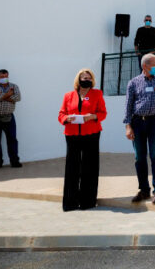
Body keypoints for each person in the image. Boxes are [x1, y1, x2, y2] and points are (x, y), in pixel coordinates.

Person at [124, 53, 155, 205]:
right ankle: (144, 190)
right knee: (140, 158)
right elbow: (128, 105)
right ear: (145, 66)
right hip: (137, 122)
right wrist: (128, 126)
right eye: (154, 64)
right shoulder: (133, 83)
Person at [58, 69, 107, 211]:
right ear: (78, 80)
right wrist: (66, 118)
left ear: (92, 80)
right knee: (72, 167)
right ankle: (70, 202)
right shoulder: (68, 95)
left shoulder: (97, 94)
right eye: (84, 77)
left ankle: (88, 201)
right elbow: (61, 114)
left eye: (89, 78)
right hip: (72, 135)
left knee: (89, 167)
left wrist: (92, 116)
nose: (86, 79)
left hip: (91, 133)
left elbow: (103, 113)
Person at [0, 69, 22, 169]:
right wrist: (9, 94)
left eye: (6, 76)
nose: (4, 78)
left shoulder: (14, 86)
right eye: (2, 77)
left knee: (12, 140)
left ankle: (15, 161)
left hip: (9, 117)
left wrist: (2, 95)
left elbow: (18, 98)